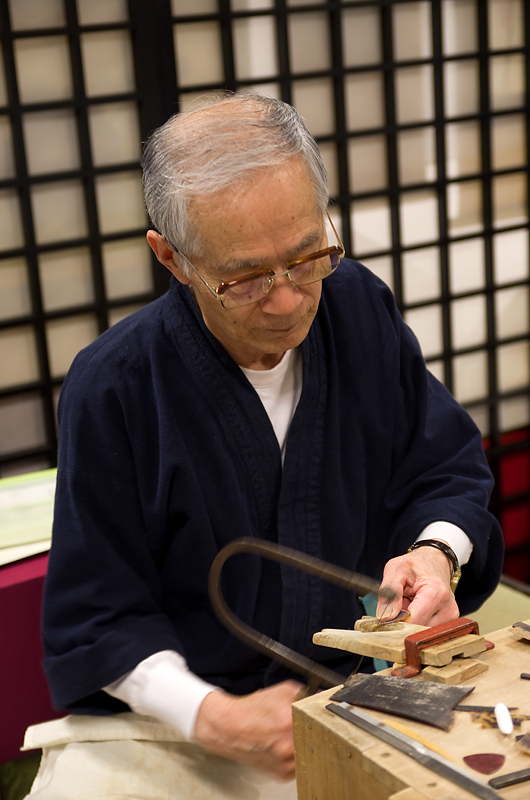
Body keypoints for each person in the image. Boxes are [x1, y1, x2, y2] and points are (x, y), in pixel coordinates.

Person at [26, 92, 503, 799]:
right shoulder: (115, 386)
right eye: (245, 278)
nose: (287, 300)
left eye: (308, 255)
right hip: (188, 723)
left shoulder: (358, 307)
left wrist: (433, 555)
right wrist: (212, 716)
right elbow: (101, 611)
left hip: (361, 696)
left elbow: (445, 467)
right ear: (173, 258)